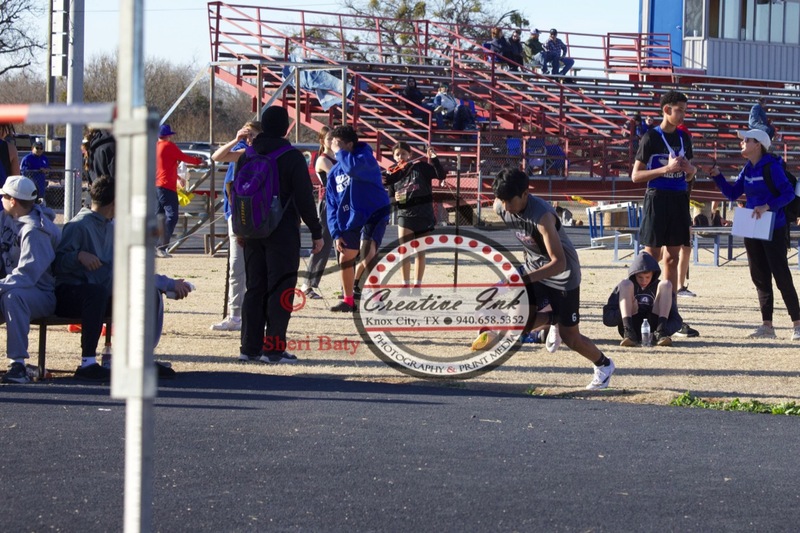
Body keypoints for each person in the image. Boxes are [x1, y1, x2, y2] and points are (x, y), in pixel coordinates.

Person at [488, 167, 616, 390]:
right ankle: (552, 317)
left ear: (525, 194)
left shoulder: (543, 217)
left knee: (571, 338)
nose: (506, 206)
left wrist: (522, 279)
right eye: (501, 199)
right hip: (533, 267)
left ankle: (604, 366)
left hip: (563, 276)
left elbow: (559, 263)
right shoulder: (500, 206)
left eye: (510, 200)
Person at [53, 176, 191, 381]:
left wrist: (168, 284)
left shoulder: (112, 228)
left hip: (103, 292)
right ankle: (88, 363)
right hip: (72, 294)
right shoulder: (78, 225)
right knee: (96, 293)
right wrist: (78, 256)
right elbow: (57, 265)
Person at [237, 105, 324, 363]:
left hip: (252, 230)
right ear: (286, 128)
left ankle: (248, 348)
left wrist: (239, 228)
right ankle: (273, 349)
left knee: (255, 288)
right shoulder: (292, 157)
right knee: (281, 289)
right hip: (282, 230)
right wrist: (316, 232)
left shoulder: (247, 155)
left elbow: (237, 195)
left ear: (262, 127)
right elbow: (304, 199)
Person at [704, 129, 800, 340]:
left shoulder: (772, 166)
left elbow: (788, 193)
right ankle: (767, 326)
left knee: (781, 276)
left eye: (747, 140)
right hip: (751, 228)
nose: (742, 143)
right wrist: (717, 176)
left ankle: (797, 324)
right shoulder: (747, 168)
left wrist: (768, 206)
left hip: (773, 227)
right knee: (760, 277)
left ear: (758, 145)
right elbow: (732, 193)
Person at [631, 90, 699, 337]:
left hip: (679, 199)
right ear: (666, 110)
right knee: (651, 258)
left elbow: (690, 174)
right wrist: (665, 169)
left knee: (672, 258)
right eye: (678, 109)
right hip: (657, 199)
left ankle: (670, 315)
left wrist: (690, 170)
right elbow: (636, 176)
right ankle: (643, 311)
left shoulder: (684, 137)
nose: (682, 114)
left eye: (684, 109)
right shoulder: (650, 137)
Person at [0, 176, 61, 384]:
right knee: (10, 293)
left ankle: (18, 366)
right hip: (12, 287)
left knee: (13, 297)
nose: (1, 199)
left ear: (13, 200)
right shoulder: (6, 218)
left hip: (41, 294)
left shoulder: (36, 230)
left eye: (3, 196)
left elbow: (27, 276)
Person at [326, 125, 391, 313]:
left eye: (338, 144)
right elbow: (331, 204)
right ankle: (348, 300)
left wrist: (339, 152)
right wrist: (335, 232)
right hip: (350, 217)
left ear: (350, 144)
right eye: (333, 143)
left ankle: (377, 298)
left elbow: (353, 169)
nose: (334, 147)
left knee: (367, 253)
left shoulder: (365, 158)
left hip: (374, 213)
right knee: (346, 256)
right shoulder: (335, 172)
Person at [208, 120, 262, 331]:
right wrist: (236, 139)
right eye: (247, 135)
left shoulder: (260, 154)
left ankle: (254, 314)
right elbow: (216, 157)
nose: (249, 140)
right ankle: (235, 315)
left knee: (255, 267)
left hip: (257, 215)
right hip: (237, 214)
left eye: (253, 135)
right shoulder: (240, 150)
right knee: (237, 267)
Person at [382, 142, 445, 292]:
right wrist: (395, 198)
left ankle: (417, 284)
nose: (400, 157)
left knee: (420, 252)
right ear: (393, 156)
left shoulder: (420, 167)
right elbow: (390, 197)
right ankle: (405, 284)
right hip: (405, 215)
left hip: (423, 214)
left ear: (409, 155)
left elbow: (441, 175)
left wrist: (434, 158)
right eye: (397, 154)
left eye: (403, 154)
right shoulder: (392, 172)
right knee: (404, 252)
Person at [603, 251, 681, 347]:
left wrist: (666, 329)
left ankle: (661, 332)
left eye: (647, 277)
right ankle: (629, 333)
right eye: (640, 277)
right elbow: (607, 319)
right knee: (625, 283)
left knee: (666, 284)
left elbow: (676, 320)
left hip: (655, 324)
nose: (644, 281)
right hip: (632, 322)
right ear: (634, 274)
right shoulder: (624, 287)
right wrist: (625, 311)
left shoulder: (659, 286)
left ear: (653, 274)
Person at [155, 123, 203, 258]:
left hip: (156, 185)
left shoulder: (154, 147)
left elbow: (162, 167)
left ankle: (154, 245)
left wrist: (176, 176)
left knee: (159, 216)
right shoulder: (169, 146)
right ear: (168, 136)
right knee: (172, 216)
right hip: (166, 186)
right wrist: (199, 161)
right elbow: (184, 158)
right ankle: (161, 246)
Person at [301, 126, 336, 300]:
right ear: (323, 141)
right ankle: (308, 283)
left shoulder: (339, 157)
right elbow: (339, 175)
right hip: (328, 205)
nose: (333, 142)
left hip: (340, 205)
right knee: (323, 244)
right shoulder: (323, 159)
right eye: (329, 139)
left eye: (335, 138)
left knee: (343, 246)